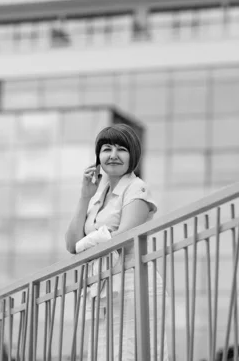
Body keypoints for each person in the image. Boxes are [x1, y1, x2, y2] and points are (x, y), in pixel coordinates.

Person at [65, 123, 168, 361]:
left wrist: (86, 244)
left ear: (133, 156)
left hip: (134, 283)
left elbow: (124, 237)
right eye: (106, 149)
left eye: (121, 149)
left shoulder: (136, 187)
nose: (113, 155)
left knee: (132, 352)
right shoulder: (97, 197)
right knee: (103, 354)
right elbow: (71, 244)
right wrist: (84, 196)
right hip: (102, 287)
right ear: (98, 156)